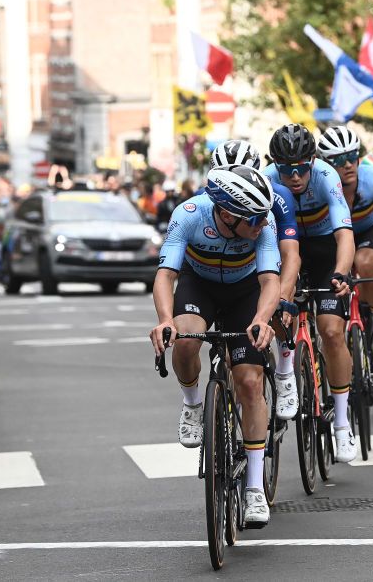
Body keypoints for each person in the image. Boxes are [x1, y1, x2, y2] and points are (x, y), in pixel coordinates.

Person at [149, 165, 280, 528]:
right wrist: (164, 319)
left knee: (251, 383)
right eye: (252, 218)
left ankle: (255, 487)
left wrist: (263, 318)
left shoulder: (263, 225)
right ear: (225, 213)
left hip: (245, 291)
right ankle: (193, 404)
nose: (260, 224)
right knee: (186, 339)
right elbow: (166, 275)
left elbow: (270, 280)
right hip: (200, 286)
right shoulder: (189, 216)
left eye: (263, 217)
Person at [262, 124, 359, 464]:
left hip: (322, 250)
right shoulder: (266, 179)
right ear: (275, 164)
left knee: (332, 331)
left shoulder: (326, 176)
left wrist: (341, 271)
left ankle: (343, 423)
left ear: (312, 161)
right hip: (283, 247)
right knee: (279, 310)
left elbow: (344, 233)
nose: (295, 176)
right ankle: (286, 371)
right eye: (286, 169)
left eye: (301, 167)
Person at [210, 139, 303, 422]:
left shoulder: (279, 196)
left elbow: (290, 255)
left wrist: (283, 298)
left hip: (269, 260)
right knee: (230, 353)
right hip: (232, 269)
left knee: (280, 306)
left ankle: (285, 371)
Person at [317, 126, 373, 368]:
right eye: (339, 160)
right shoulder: (321, 185)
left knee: (366, 263)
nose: (348, 164)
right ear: (326, 164)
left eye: (353, 157)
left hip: (366, 231)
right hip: (333, 237)